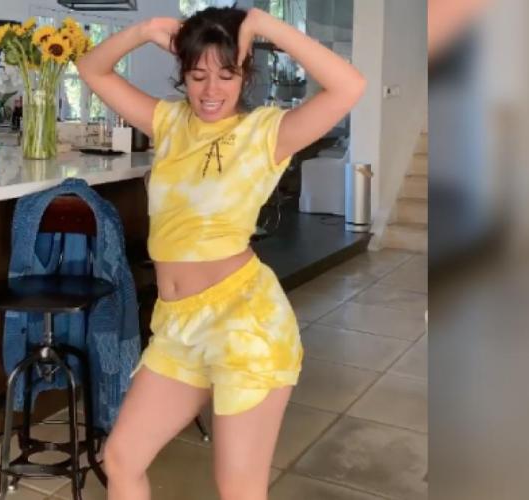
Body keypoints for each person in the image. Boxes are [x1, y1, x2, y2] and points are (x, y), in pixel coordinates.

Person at [77, 6, 365, 500]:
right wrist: (143, 30)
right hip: (177, 326)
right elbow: (91, 69)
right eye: (198, 75)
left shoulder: (267, 133)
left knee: (238, 487)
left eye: (226, 75)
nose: (211, 90)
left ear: (245, 75)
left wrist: (264, 24)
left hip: (243, 325)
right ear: (183, 75)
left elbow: (349, 86)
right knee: (121, 458)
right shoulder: (169, 122)